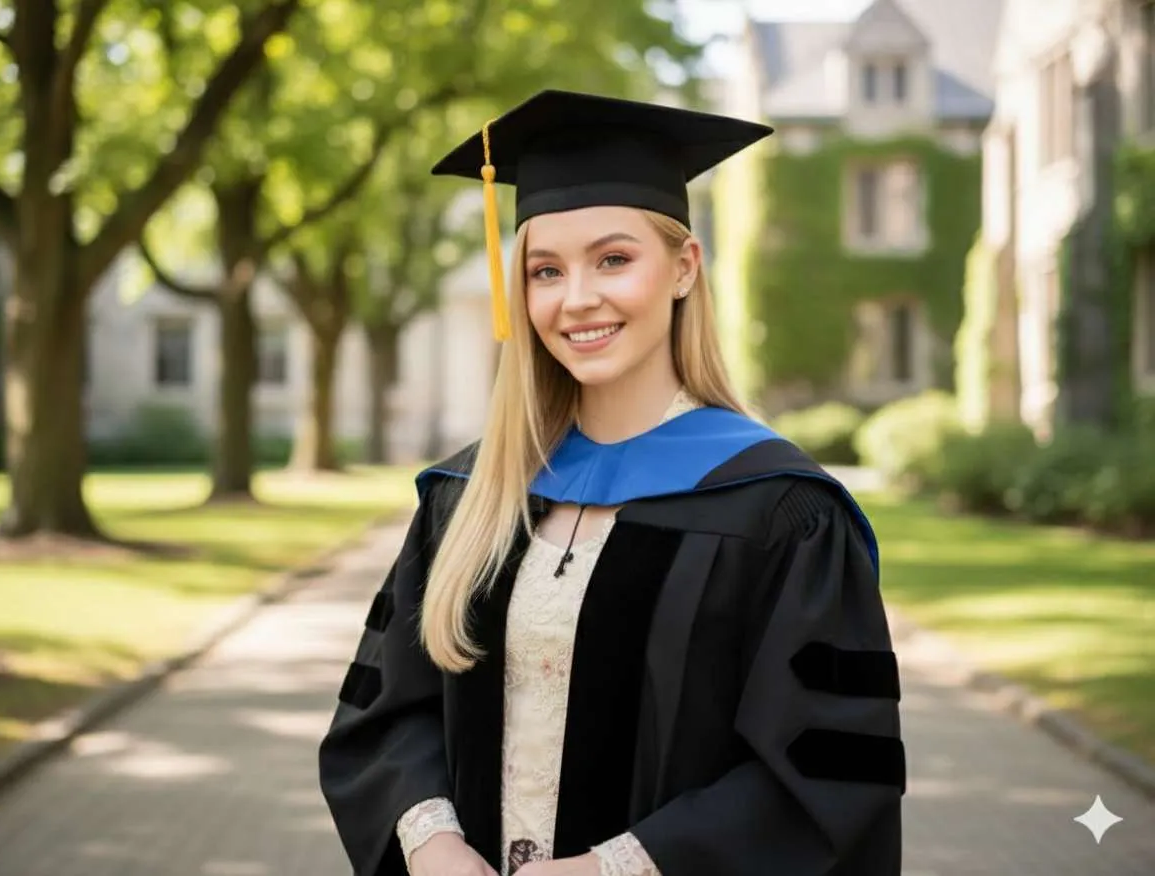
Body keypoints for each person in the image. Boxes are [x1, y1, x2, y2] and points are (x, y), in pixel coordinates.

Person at [319, 89, 906, 876]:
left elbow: (826, 776)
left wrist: (613, 869)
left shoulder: (779, 512)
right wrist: (431, 844)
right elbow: (385, 713)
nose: (577, 298)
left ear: (684, 267)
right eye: (545, 270)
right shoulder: (470, 496)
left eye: (614, 259)